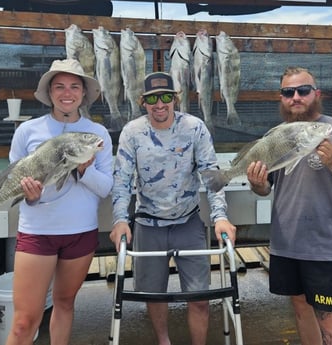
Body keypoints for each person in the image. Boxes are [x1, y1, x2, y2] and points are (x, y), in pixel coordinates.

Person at [246, 66, 332, 345]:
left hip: (326, 247)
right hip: (286, 244)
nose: (296, 97)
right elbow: (265, 188)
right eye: (288, 92)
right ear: (281, 98)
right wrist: (257, 184)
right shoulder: (276, 135)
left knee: (330, 317)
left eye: (303, 90)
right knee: (300, 308)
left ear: (316, 94)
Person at [109, 71, 236, 345]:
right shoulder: (132, 132)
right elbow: (121, 181)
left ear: (175, 99)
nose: (160, 104)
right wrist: (120, 220)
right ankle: (163, 341)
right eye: (153, 98)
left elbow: (210, 174)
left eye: (166, 97)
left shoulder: (195, 127)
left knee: (200, 298)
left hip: (187, 222)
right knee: (154, 295)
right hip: (148, 224)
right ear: (143, 101)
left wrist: (220, 217)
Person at [5, 59, 113, 345]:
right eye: (60, 86)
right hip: (37, 233)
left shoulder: (97, 135)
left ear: (84, 93)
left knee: (65, 305)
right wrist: (28, 193)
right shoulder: (27, 131)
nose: (68, 93)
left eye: (75, 86)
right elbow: (15, 178)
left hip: (80, 233)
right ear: (49, 92)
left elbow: (105, 187)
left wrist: (83, 168)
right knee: (24, 321)